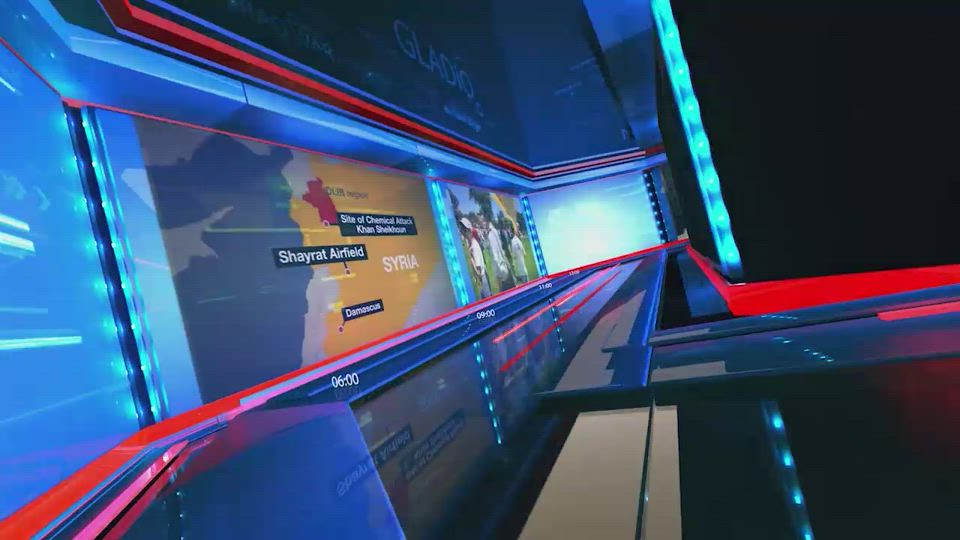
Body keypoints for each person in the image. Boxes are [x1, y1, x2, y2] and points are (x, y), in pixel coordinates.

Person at [460, 217, 491, 298]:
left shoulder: (474, 247)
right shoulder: (472, 245)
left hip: (482, 280)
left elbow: (479, 271)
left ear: (469, 231)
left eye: (464, 230)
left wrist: (471, 260)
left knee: (487, 301)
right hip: (481, 279)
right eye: (462, 230)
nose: (462, 232)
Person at [486, 220, 512, 292]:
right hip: (501, 260)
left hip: (499, 263)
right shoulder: (494, 232)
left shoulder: (491, 235)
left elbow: (494, 252)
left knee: (504, 287)